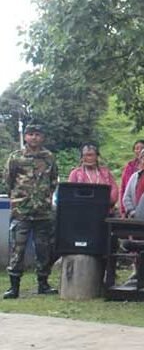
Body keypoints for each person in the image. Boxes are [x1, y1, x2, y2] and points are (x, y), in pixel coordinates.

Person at [3, 124, 59, 299]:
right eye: (31, 134)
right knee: (17, 249)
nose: (34, 138)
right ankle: (14, 287)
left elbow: (53, 180)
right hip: (22, 211)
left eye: (38, 134)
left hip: (42, 211)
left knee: (44, 248)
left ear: (43, 137)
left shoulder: (49, 157)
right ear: (25, 137)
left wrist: (45, 198)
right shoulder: (16, 158)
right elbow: (8, 181)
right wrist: (19, 198)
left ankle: (43, 283)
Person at [68, 143, 120, 208]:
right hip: (81, 210)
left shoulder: (105, 172)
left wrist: (106, 201)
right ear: (82, 157)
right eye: (86, 155)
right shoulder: (75, 173)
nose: (89, 158)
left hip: (104, 209)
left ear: (97, 156)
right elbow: (70, 193)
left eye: (91, 155)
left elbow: (114, 190)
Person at [119, 139, 144, 215]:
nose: (139, 150)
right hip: (132, 206)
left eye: (142, 148)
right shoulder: (130, 166)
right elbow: (123, 188)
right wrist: (123, 209)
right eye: (137, 148)